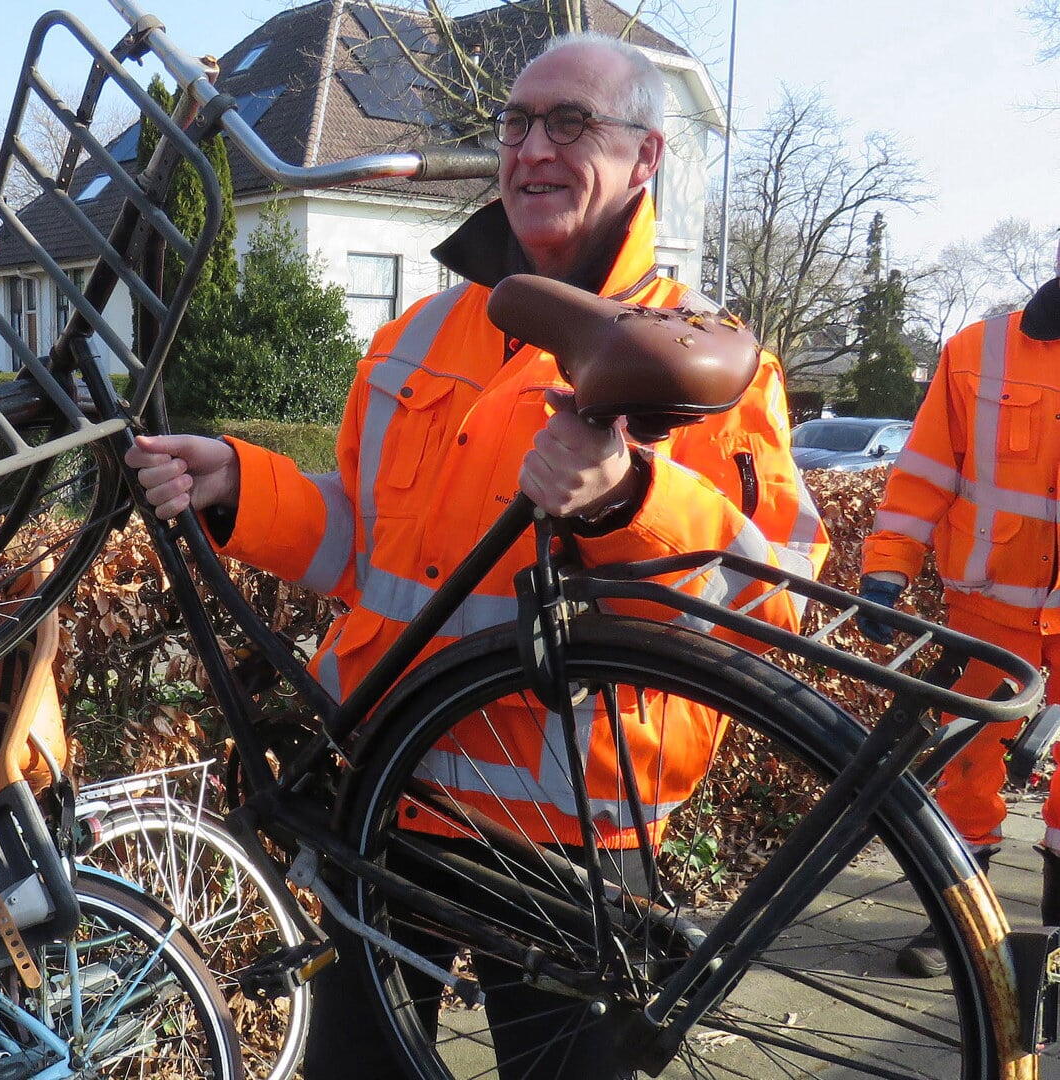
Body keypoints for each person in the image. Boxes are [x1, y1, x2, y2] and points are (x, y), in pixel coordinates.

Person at [126, 32, 827, 1080]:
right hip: (380, 795)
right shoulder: (416, 334)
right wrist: (243, 482)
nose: (531, 148)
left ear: (645, 160)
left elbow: (770, 605)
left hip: (564, 836)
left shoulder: (703, 360)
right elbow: (369, 546)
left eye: (569, 122)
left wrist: (628, 497)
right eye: (515, 122)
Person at [859, 236, 1060, 977]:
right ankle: (958, 921)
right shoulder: (979, 351)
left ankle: (1058, 942)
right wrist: (887, 565)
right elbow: (923, 471)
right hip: (987, 606)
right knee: (965, 759)